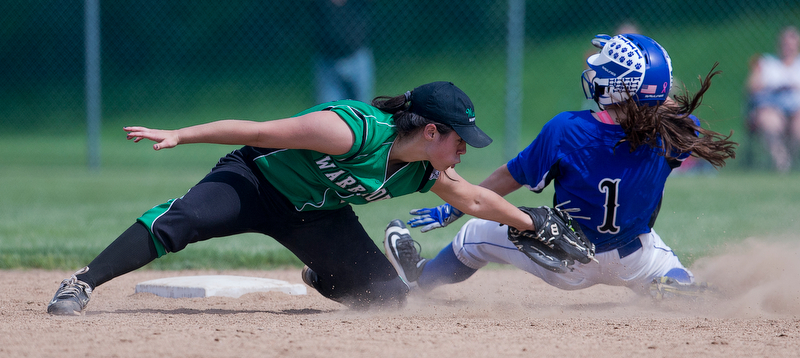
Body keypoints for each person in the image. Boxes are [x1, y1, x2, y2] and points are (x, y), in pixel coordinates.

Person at [45, 81, 538, 315]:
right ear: (431, 130)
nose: (462, 150)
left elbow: (475, 201)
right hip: (256, 183)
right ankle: (82, 283)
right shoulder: (352, 131)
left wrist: (532, 225)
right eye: (459, 139)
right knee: (182, 222)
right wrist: (182, 134)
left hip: (317, 216)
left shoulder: (422, 170)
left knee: (387, 300)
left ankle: (321, 273)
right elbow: (260, 129)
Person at [383, 34, 737, 299]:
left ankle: (420, 281)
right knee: (670, 274)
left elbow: (510, 177)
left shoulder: (567, 129)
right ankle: (678, 282)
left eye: (603, 71)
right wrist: (652, 95)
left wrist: (454, 207)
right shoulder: (678, 128)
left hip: (566, 257)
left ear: (615, 86)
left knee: (473, 238)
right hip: (636, 256)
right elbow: (666, 109)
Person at [746, 26, 800, 172]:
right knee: (770, 120)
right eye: (785, 43)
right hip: (771, 109)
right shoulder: (767, 63)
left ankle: (792, 161)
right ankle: (782, 163)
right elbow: (750, 87)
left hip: (796, 111)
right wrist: (773, 86)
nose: (788, 47)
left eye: (792, 43)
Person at [313, 0, 374, 103]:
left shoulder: (358, 3)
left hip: (357, 58)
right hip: (328, 63)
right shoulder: (321, 4)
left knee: (362, 109)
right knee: (328, 110)